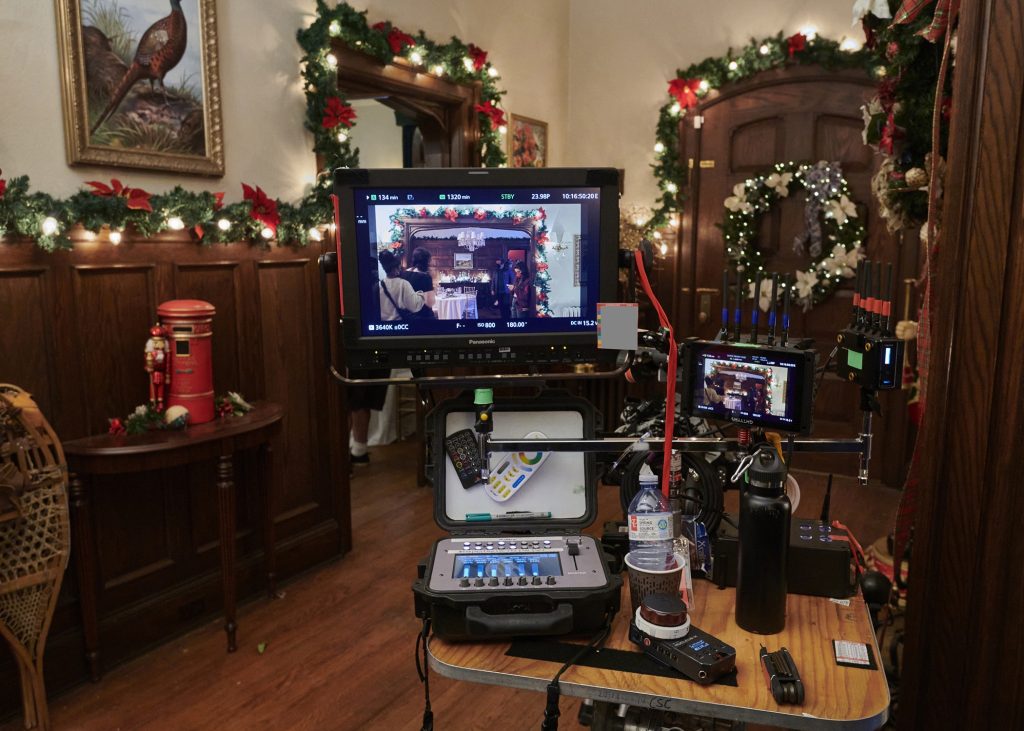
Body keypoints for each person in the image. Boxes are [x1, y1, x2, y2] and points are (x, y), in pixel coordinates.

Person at [378, 250, 425, 320]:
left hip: (382, 326)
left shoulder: (378, 285)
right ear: (396, 268)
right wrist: (420, 294)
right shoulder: (403, 284)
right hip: (400, 324)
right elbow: (414, 306)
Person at [401, 247, 436, 311]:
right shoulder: (425, 277)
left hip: (407, 314)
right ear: (427, 261)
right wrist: (434, 290)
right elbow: (430, 303)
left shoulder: (404, 273)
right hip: (422, 315)